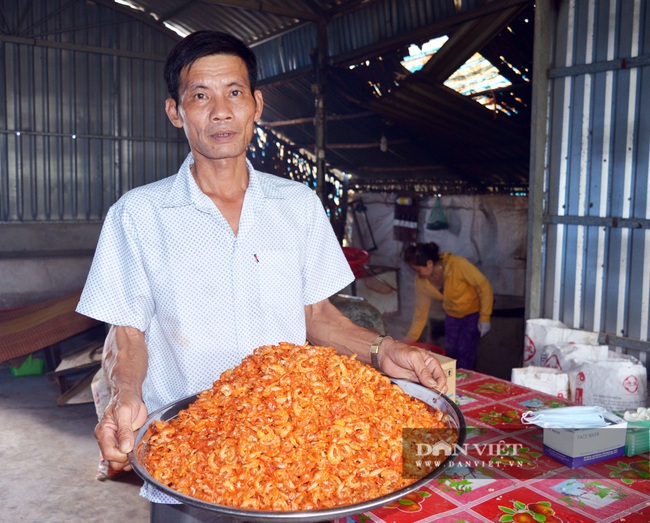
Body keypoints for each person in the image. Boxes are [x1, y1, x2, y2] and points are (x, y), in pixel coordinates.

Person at [76, 30, 447, 521]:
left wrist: (384, 349)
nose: (221, 111)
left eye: (234, 93)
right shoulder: (138, 215)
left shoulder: (297, 205)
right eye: (200, 96)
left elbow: (316, 315)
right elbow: (128, 334)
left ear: (257, 104)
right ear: (175, 112)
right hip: (192, 453)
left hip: (293, 454)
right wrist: (125, 396)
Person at [403, 242, 493, 370]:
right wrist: (410, 338)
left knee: (465, 353)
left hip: (472, 315)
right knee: (450, 353)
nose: (417, 274)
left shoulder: (458, 265)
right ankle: (451, 384)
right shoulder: (421, 282)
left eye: (418, 270)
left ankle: (464, 384)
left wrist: (485, 317)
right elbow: (421, 311)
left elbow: (484, 285)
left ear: (429, 263)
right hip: (451, 316)